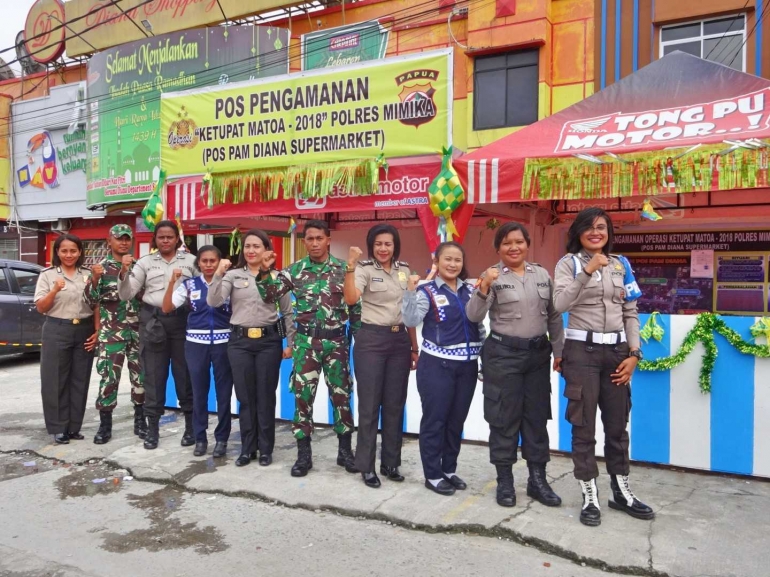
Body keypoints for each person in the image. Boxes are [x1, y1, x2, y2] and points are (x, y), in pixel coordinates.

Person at [553, 207, 654, 527]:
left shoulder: (622, 264)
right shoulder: (568, 264)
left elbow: (631, 311)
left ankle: (621, 491)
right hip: (581, 352)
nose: (596, 232)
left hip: (617, 352)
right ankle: (589, 493)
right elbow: (558, 305)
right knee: (583, 427)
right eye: (589, 227)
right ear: (578, 232)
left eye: (602, 227)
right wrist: (586, 271)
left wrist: (634, 354)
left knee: (616, 425)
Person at [466, 222, 565, 508]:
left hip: (537, 357)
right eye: (507, 243)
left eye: (519, 242)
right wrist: (484, 285)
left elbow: (554, 317)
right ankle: (505, 481)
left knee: (536, 418)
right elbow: (473, 316)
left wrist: (559, 352)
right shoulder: (492, 276)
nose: (514, 247)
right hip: (502, 355)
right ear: (498, 248)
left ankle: (537, 481)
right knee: (503, 419)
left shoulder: (543, 275)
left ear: (527, 244)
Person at [256, 219, 360, 477]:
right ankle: (304, 456)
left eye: (319, 238)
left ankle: (345, 451)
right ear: (305, 242)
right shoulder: (295, 270)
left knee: (341, 397)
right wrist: (263, 271)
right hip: (305, 344)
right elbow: (269, 296)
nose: (314, 243)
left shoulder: (342, 269)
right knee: (303, 400)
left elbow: (354, 306)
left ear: (328, 240)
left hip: (336, 342)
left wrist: (361, 339)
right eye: (310, 239)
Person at [207, 230, 295, 467]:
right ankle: (248, 449)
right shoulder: (233, 275)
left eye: (257, 246)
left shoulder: (278, 276)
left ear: (267, 249)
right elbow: (214, 302)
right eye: (247, 246)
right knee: (245, 398)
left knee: (265, 397)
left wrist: (291, 345)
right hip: (240, 343)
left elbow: (287, 312)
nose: (251, 251)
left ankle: (266, 449)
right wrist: (217, 274)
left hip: (269, 342)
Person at [402, 241, 484, 496]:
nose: (452, 264)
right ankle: (433, 474)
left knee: (455, 421)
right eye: (447, 259)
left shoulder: (470, 290)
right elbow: (411, 320)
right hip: (437, 365)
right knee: (435, 421)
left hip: (467, 367)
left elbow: (478, 326)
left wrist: (482, 357)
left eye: (457, 260)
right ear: (437, 262)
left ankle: (449, 469)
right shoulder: (426, 290)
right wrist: (408, 292)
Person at [343, 224, 418, 488]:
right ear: (371, 246)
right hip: (371, 341)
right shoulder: (363, 269)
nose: (383, 248)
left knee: (395, 405)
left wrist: (414, 347)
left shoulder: (404, 270)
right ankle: (366, 465)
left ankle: (390, 463)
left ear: (395, 245)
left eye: (388, 244)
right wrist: (351, 266)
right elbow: (351, 299)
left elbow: (408, 311)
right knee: (370, 405)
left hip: (399, 341)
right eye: (378, 244)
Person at [118, 220, 196, 450]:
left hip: (183, 322)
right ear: (155, 239)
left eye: (169, 237)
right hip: (153, 323)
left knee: (185, 375)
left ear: (177, 239)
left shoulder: (191, 262)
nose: (165, 241)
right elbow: (127, 293)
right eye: (161, 237)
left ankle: (190, 427)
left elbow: (207, 286)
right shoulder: (144, 263)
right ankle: (153, 429)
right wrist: (123, 272)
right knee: (153, 376)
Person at [162, 245, 234, 458]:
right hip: (195, 344)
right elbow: (166, 308)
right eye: (205, 261)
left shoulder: (229, 283)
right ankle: (200, 438)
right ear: (199, 263)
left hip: (224, 342)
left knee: (224, 393)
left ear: (220, 261)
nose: (209, 265)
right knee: (198, 392)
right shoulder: (189, 284)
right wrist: (171, 283)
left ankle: (222, 439)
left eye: (213, 261)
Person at [34, 234, 98, 444]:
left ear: (80, 252)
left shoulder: (88, 275)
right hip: (56, 329)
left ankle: (73, 427)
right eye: (64, 251)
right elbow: (41, 307)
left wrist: (97, 332)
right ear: (57, 253)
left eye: (73, 251)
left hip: (84, 330)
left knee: (80, 379)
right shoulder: (48, 275)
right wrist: (54, 289)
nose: (69, 255)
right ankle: (58, 427)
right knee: (55, 380)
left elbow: (96, 304)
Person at [88, 224, 146, 445]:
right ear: (109, 241)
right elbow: (89, 301)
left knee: (140, 378)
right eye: (119, 238)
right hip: (112, 332)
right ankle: (105, 425)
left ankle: (140, 420)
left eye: (127, 238)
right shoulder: (100, 269)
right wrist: (94, 280)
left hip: (137, 332)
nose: (123, 242)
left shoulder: (140, 267)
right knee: (109, 378)